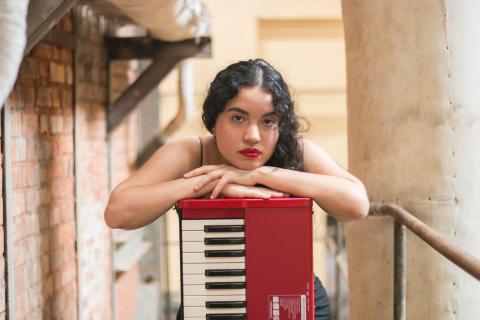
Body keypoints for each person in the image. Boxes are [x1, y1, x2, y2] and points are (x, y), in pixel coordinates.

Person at [104, 58, 369, 319]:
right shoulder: (191, 151)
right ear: (214, 120)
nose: (253, 135)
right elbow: (118, 212)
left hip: (291, 304)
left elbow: (357, 204)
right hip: (209, 302)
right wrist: (208, 181)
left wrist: (260, 174)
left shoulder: (295, 151)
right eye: (238, 118)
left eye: (268, 121)